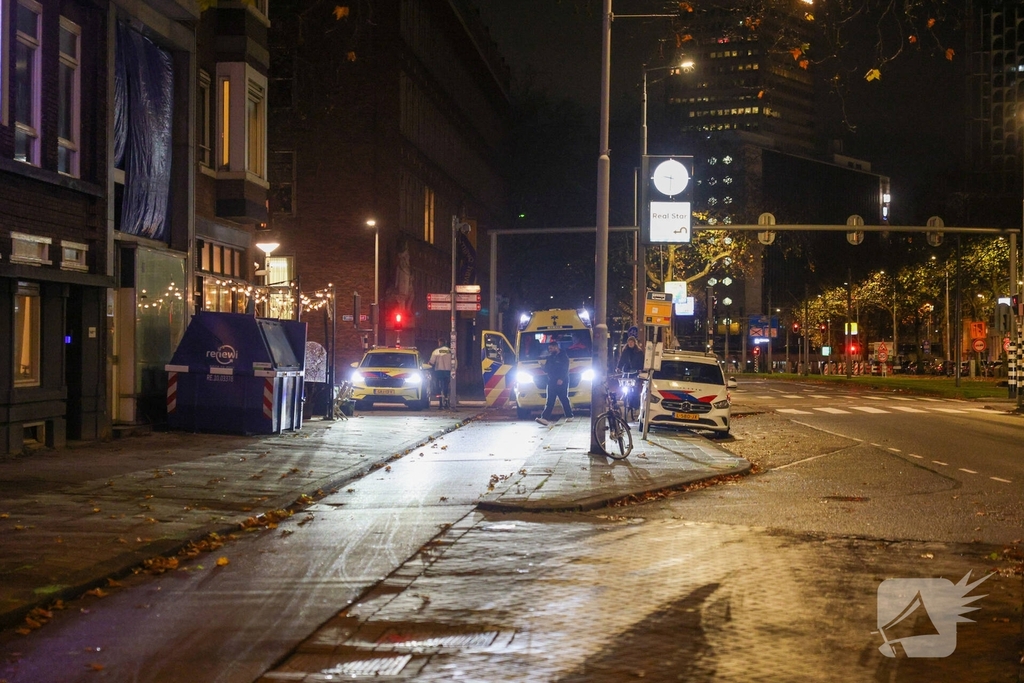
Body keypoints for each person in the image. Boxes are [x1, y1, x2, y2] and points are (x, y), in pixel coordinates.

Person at [536, 340, 573, 425]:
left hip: (561, 381)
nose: (550, 350)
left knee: (563, 398)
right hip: (551, 381)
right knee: (550, 400)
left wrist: (561, 379)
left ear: (556, 347)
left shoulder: (563, 357)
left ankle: (569, 415)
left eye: (551, 348)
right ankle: (544, 418)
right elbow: (547, 369)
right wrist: (542, 367)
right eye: (549, 348)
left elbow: (565, 369)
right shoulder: (550, 357)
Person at [428, 338, 452, 407]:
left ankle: (440, 403)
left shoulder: (436, 352)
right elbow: (455, 362)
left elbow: (432, 362)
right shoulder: (450, 351)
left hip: (439, 371)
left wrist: (428, 364)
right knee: (446, 387)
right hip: (448, 371)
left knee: (438, 387)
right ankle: (447, 401)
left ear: (440, 343)